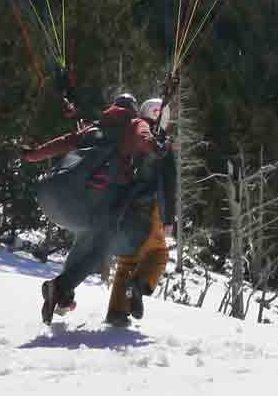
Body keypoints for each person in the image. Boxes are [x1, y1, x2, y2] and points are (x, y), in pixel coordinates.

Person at [21, 90, 171, 325]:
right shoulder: (135, 123)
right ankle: (61, 288)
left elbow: (64, 142)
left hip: (69, 198)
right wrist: (155, 145)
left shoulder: (95, 126)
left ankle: (61, 294)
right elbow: (143, 136)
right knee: (100, 250)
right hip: (102, 202)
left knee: (86, 242)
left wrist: (32, 155)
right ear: (133, 109)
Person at [103, 96, 178, 326]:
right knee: (159, 254)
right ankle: (138, 285)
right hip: (150, 207)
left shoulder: (130, 134)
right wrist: (168, 218)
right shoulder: (160, 142)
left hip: (125, 204)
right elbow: (168, 180)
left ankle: (117, 312)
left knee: (128, 259)